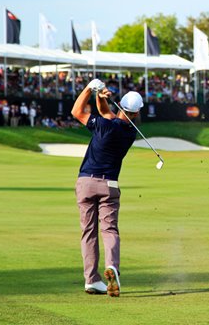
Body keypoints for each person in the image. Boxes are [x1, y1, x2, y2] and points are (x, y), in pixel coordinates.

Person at [71, 79, 142, 297]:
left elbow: (76, 111)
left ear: (120, 106)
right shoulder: (130, 132)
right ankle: (112, 267)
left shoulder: (102, 125)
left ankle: (91, 280)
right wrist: (101, 96)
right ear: (136, 113)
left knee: (88, 232)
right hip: (109, 185)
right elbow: (107, 113)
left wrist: (89, 89)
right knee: (109, 229)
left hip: (86, 183)